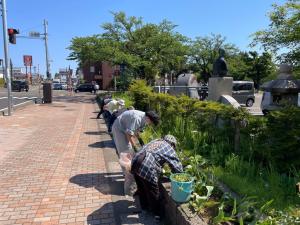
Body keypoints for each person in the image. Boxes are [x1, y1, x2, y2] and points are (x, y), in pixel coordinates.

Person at [131, 135, 183, 219]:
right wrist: (179, 175)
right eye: (174, 146)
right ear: (172, 144)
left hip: (135, 161)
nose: (174, 148)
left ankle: (144, 207)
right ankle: (157, 214)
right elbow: (176, 165)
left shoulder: (157, 141)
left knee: (142, 187)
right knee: (153, 190)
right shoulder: (168, 147)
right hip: (146, 164)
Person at [112, 110, 160, 195]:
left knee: (131, 152)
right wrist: (135, 146)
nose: (150, 125)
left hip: (125, 128)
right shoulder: (137, 118)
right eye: (151, 123)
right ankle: (129, 189)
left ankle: (129, 174)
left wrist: (140, 143)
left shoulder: (144, 119)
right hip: (119, 129)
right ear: (148, 118)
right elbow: (129, 134)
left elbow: (136, 132)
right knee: (126, 154)